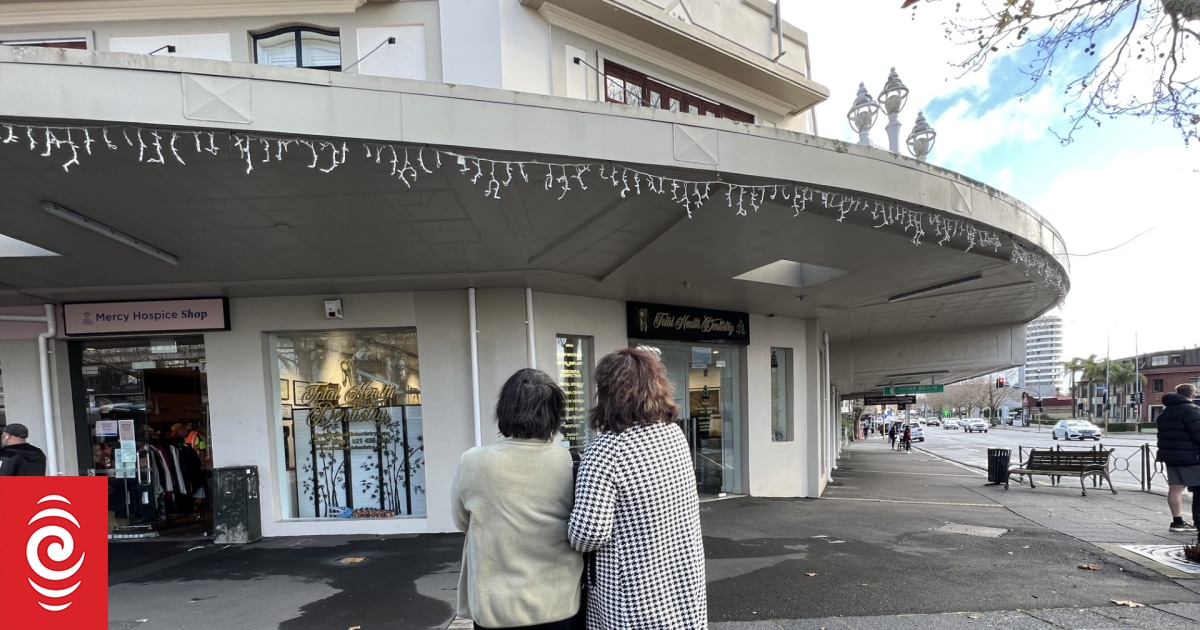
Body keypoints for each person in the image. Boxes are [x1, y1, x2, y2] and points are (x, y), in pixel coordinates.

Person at [568, 348, 707, 629]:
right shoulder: (673, 435)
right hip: (680, 585)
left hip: (632, 594)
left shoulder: (606, 451)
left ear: (608, 393)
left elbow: (588, 533)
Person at [451, 368, 583, 630]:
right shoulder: (572, 462)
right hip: (560, 604)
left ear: (505, 409)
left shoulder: (473, 461)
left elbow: (461, 522)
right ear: (555, 414)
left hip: (495, 608)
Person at [1155, 383, 1200, 534]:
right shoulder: (1192, 410)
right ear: (1193, 395)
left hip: (1170, 457)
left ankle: (1177, 521)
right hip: (1191, 457)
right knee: (1199, 488)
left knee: (1175, 488)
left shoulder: (1165, 412)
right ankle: (1198, 522)